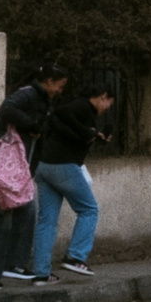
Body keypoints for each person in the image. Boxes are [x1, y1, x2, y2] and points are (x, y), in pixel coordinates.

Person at [0, 65, 64, 291]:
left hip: (12, 164)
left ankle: (14, 264)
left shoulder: (42, 99)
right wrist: (32, 124)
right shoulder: (28, 94)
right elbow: (7, 109)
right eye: (59, 85)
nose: (60, 90)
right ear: (48, 81)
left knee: (26, 209)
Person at [32, 78, 114, 279]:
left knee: (47, 221)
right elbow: (63, 115)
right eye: (109, 103)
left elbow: (63, 125)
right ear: (103, 97)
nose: (108, 108)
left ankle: (41, 273)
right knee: (89, 209)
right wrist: (88, 132)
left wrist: (94, 135)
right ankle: (75, 257)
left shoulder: (78, 108)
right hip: (64, 165)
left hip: (44, 166)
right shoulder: (82, 106)